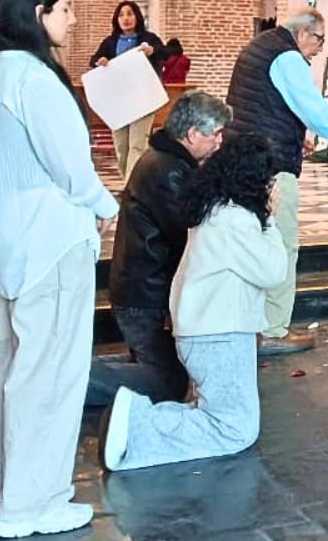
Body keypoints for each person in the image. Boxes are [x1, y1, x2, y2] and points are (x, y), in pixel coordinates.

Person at [0, 0, 118, 538]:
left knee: (16, 369)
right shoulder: (33, 78)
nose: (73, 18)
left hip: (13, 244)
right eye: (65, 8)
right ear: (38, 14)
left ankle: (7, 488)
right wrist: (109, 206)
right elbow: (71, 168)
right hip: (51, 244)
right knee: (51, 376)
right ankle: (32, 504)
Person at [100, 132, 289, 471]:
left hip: (210, 331)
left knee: (222, 415)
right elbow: (274, 270)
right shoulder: (235, 220)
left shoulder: (215, 209)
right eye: (269, 180)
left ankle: (136, 417)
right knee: (234, 429)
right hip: (220, 335)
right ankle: (137, 429)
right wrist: (271, 219)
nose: (272, 187)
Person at [225, 8, 328, 355]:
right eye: (319, 40)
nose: (319, 49)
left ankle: (251, 324)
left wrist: (294, 136)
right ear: (303, 34)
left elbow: (264, 106)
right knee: (280, 244)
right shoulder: (287, 56)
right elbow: (315, 111)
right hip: (270, 166)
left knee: (252, 243)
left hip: (245, 159)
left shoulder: (261, 45)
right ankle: (273, 330)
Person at [88, 90, 229, 406]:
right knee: (166, 384)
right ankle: (71, 380)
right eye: (216, 134)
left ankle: (73, 375)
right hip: (144, 296)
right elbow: (188, 231)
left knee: (164, 372)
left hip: (144, 289)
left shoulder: (168, 161)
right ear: (192, 134)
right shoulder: (167, 170)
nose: (220, 142)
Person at [90, 1, 169, 180]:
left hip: (143, 98)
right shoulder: (110, 42)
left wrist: (153, 51)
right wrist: (100, 61)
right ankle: (127, 180)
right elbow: (94, 59)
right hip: (119, 100)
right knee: (121, 146)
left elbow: (166, 52)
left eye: (130, 13)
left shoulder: (148, 38)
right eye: (121, 15)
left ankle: (131, 185)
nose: (125, 18)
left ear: (137, 16)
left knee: (137, 144)